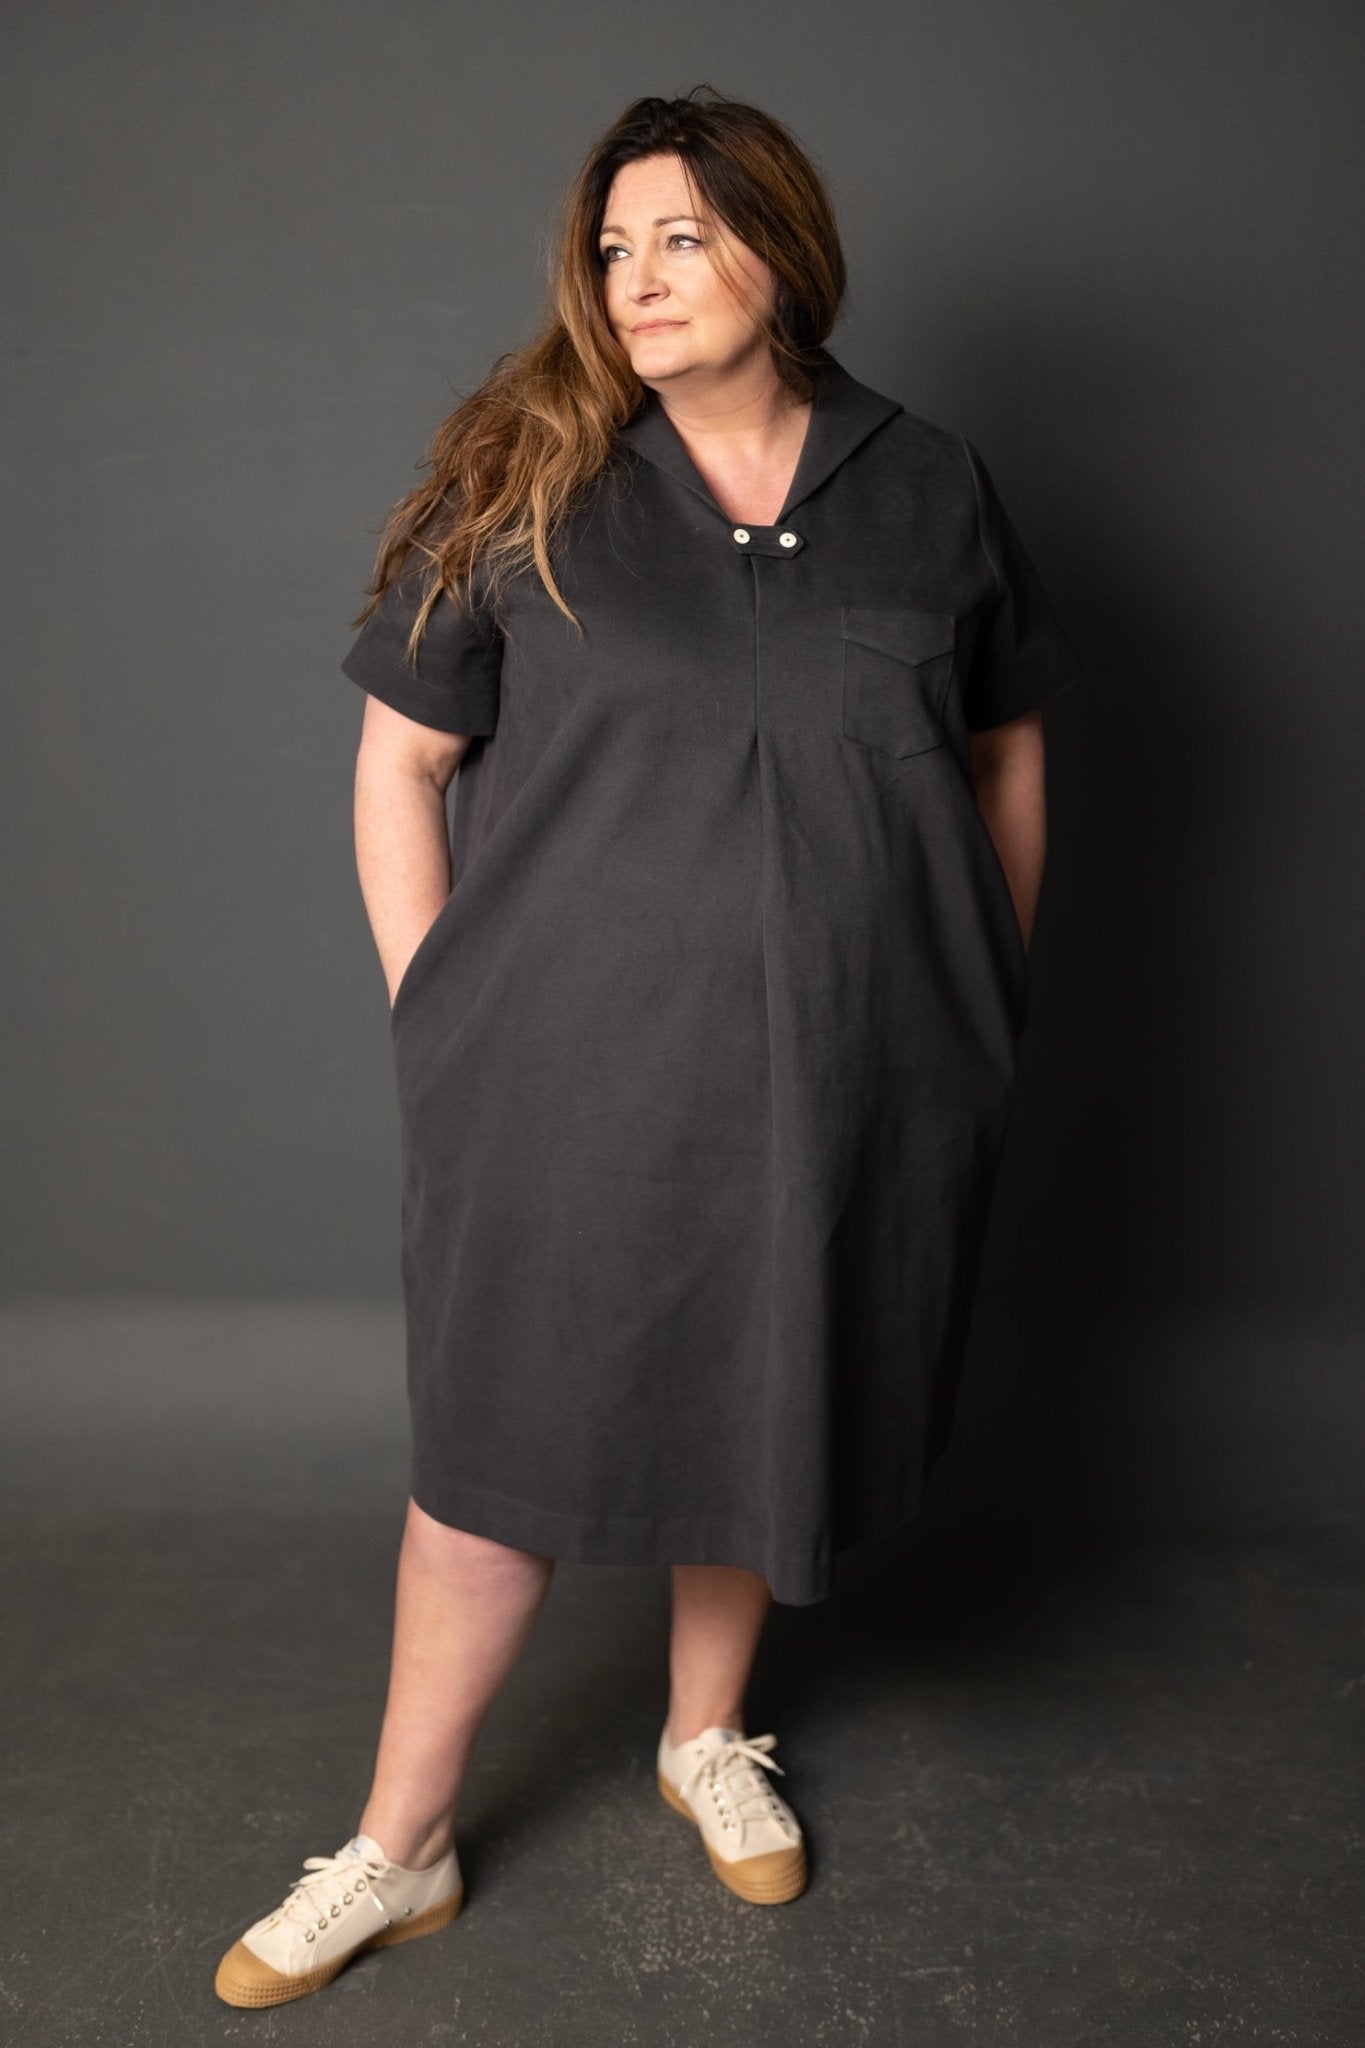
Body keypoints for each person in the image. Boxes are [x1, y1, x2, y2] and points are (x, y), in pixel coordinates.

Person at [214, 84, 1083, 2008]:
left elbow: (1004, 739)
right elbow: (399, 760)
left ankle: (704, 1735)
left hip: (856, 1075)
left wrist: (979, 979)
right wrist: (438, 1007)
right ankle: (403, 1843)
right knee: (493, 1458)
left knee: (769, 1406)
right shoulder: (529, 477)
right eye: (613, 248)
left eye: (682, 236)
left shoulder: (928, 484)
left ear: (784, 250)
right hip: (568, 1081)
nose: (637, 279)